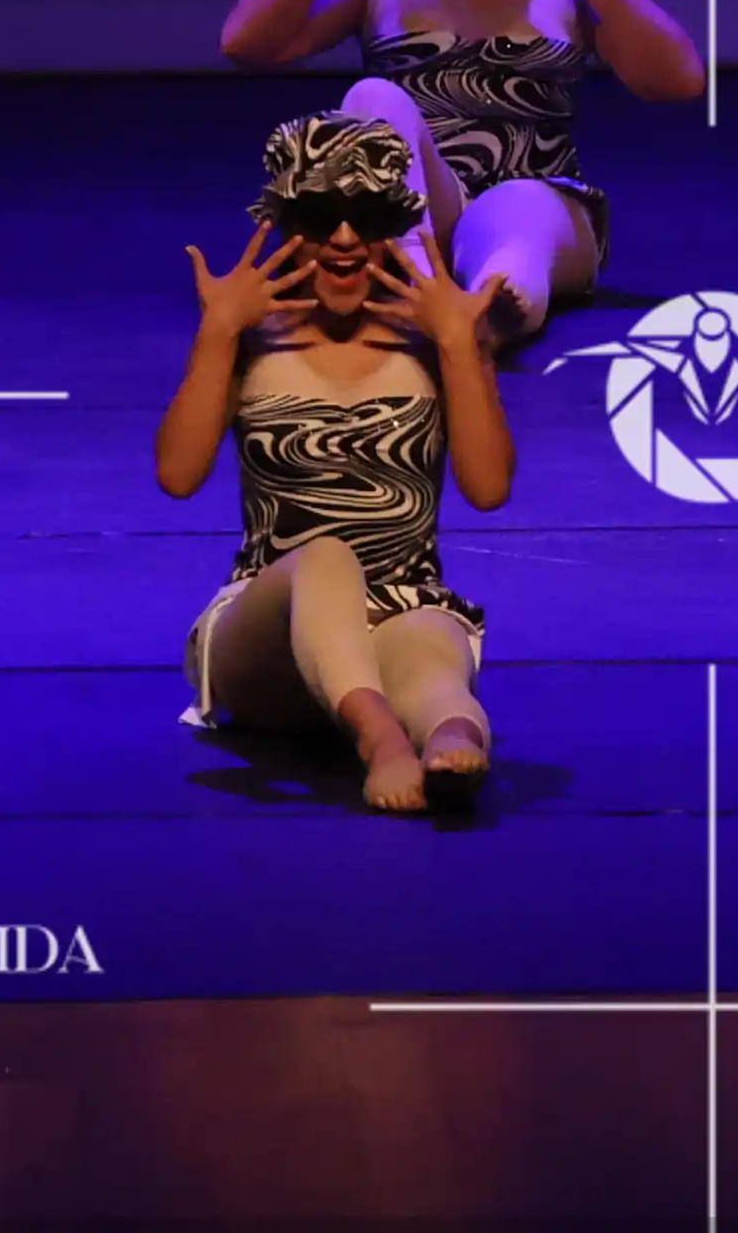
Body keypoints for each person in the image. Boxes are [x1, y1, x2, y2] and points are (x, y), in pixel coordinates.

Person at [212, 0, 702, 354]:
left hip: (538, 206)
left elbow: (679, 81)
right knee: (373, 96)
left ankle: (490, 312)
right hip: (415, 208)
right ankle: (418, 293)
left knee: (518, 212)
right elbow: (244, 43)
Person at [160, 113, 512, 813]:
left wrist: (459, 347)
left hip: (401, 609)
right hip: (269, 635)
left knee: (438, 669)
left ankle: (449, 742)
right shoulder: (254, 337)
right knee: (325, 558)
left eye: (367, 217)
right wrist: (218, 332)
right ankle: (380, 740)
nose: (345, 239)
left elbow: (488, 486)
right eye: (322, 218)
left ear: (394, 226)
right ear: (287, 224)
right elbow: (178, 474)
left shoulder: (434, 338)